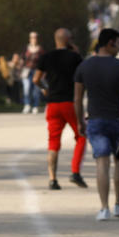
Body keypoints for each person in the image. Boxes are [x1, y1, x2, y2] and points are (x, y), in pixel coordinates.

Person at [75, 28, 119, 221]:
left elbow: (77, 97)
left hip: (96, 120)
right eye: (118, 43)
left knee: (102, 162)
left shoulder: (84, 66)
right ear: (110, 43)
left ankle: (103, 207)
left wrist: (80, 121)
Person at [34, 28, 88, 190]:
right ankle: (75, 172)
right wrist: (77, 52)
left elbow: (36, 79)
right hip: (70, 103)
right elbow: (83, 77)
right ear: (69, 40)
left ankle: (52, 179)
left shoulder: (46, 57)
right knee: (81, 136)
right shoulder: (75, 57)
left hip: (52, 104)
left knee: (53, 142)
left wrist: (45, 89)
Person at [21, 31, 44, 114]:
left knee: (36, 90)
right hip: (27, 71)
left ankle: (35, 106)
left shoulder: (40, 49)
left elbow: (43, 61)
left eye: (35, 37)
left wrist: (43, 72)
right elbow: (22, 59)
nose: (34, 39)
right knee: (26, 88)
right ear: (29, 39)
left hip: (37, 71)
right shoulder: (26, 48)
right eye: (32, 37)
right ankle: (27, 105)